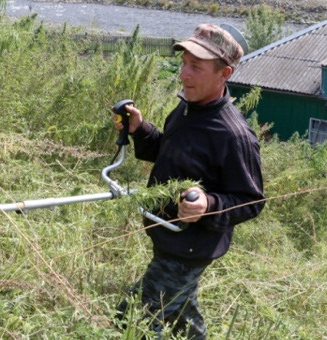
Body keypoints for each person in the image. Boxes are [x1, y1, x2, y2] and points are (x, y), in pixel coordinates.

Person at [113, 23, 265, 339]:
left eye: (196, 67)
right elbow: (172, 154)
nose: (183, 74)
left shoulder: (233, 136)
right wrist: (141, 130)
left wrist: (209, 204)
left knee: (130, 321)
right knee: (182, 315)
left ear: (224, 74)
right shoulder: (188, 107)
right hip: (168, 233)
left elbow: (251, 201)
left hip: (188, 247)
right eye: (184, 63)